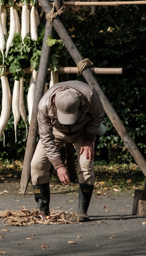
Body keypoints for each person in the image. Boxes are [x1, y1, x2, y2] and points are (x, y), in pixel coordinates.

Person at [30, 80, 105, 221]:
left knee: (86, 164)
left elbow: (98, 116)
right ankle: (42, 209)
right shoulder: (43, 106)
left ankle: (82, 211)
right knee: (36, 164)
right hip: (56, 131)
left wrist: (89, 139)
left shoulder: (90, 95)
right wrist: (58, 165)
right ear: (53, 103)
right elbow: (46, 137)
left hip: (83, 132)